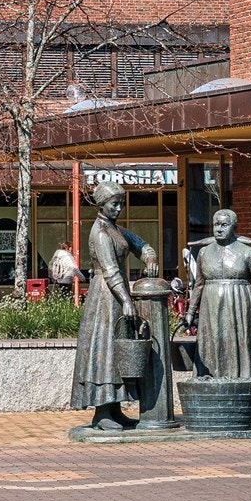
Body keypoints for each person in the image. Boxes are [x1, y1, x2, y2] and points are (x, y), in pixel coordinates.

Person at [72, 181, 158, 429]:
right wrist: (126, 299)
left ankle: (115, 407)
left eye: (121, 203)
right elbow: (110, 271)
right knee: (106, 349)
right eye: (114, 203)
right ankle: (102, 412)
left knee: (116, 349)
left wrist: (150, 258)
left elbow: (142, 245)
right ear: (101, 204)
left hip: (116, 295)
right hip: (106, 296)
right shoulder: (100, 232)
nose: (119, 208)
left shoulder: (116, 230)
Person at [189, 209, 251, 380]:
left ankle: (242, 380)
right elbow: (198, 284)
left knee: (240, 342)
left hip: (240, 305)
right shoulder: (204, 253)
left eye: (224, 225)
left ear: (233, 227)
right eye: (216, 225)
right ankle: (211, 379)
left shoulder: (248, 252)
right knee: (213, 342)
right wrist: (190, 311)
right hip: (211, 306)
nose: (219, 229)